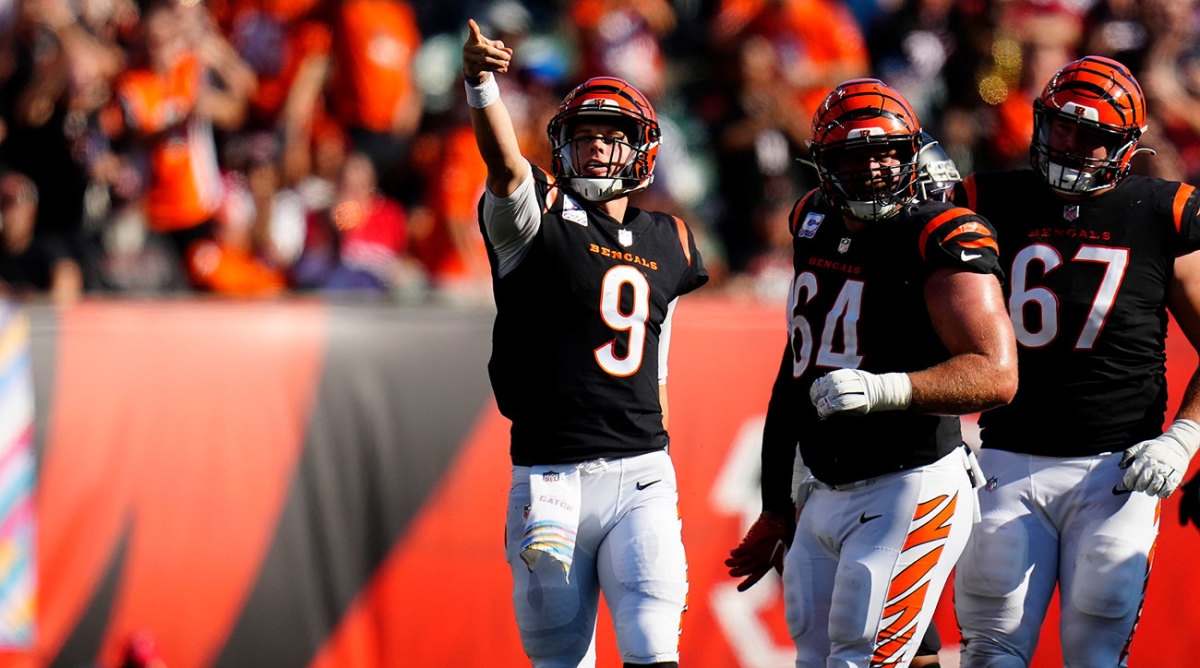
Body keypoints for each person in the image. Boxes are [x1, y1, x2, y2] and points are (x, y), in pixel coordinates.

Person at [725, 78, 1018, 667]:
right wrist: (777, 504)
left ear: (913, 154)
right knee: (815, 653)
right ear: (824, 165)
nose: (875, 169)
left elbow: (996, 375)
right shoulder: (812, 219)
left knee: (864, 657)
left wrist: (886, 389)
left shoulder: (940, 234)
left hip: (908, 483)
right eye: (854, 158)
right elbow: (796, 372)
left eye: (886, 153)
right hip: (824, 487)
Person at [463, 18, 708, 668]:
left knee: (655, 650)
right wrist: (481, 85)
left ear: (642, 150)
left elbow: (658, 347)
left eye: (611, 136)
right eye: (584, 136)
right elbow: (503, 163)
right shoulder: (535, 216)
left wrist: (657, 435)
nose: (596, 147)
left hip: (642, 474)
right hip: (550, 476)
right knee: (561, 663)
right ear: (562, 147)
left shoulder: (671, 238)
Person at [951, 55, 1200, 667]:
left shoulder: (1166, 210)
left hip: (1118, 465)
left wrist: (1185, 437)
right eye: (1061, 126)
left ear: (1126, 146)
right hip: (1006, 456)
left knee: (1094, 652)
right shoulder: (985, 197)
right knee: (990, 651)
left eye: (1090, 135)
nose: (1069, 143)